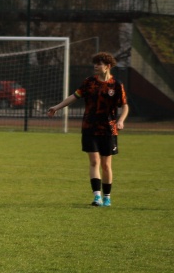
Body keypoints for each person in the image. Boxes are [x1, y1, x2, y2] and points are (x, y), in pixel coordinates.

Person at [46, 52, 128, 206]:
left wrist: (121, 120)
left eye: (99, 64)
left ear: (107, 66)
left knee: (106, 165)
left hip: (108, 129)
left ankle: (107, 197)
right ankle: (97, 197)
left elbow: (124, 106)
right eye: (94, 63)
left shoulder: (116, 85)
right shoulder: (89, 82)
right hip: (89, 128)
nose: (95, 66)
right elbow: (74, 96)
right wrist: (57, 107)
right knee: (94, 161)